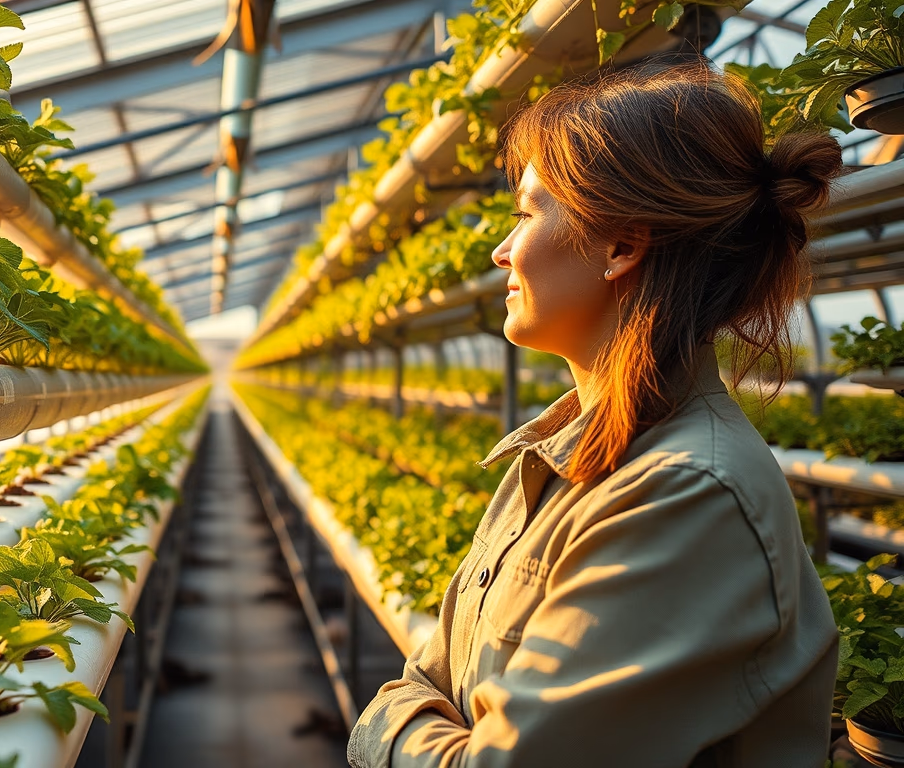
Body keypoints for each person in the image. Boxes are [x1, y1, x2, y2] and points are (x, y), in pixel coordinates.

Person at [346, 58, 843, 768]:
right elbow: (432, 680)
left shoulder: (687, 494)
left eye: (524, 213)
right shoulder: (563, 460)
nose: (501, 249)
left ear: (622, 245)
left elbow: (462, 733)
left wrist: (388, 725)